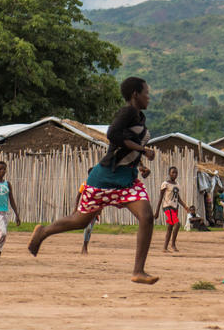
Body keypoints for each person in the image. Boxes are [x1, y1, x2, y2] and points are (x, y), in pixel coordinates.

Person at [28, 76, 159, 284]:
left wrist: (140, 163)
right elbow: (113, 135)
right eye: (146, 93)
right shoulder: (127, 112)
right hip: (105, 179)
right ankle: (43, 232)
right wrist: (143, 149)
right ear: (135, 94)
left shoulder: (138, 117)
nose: (149, 97)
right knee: (80, 221)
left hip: (127, 181)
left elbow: (123, 149)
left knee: (147, 216)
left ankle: (138, 271)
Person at [154, 166, 186, 253]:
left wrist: (185, 206)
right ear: (169, 173)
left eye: (176, 173)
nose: (174, 174)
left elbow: (178, 198)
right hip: (167, 207)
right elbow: (161, 197)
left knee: (170, 227)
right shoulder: (165, 184)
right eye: (173, 172)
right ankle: (173, 244)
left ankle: (164, 248)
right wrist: (157, 212)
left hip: (175, 207)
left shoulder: (177, 185)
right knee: (177, 224)